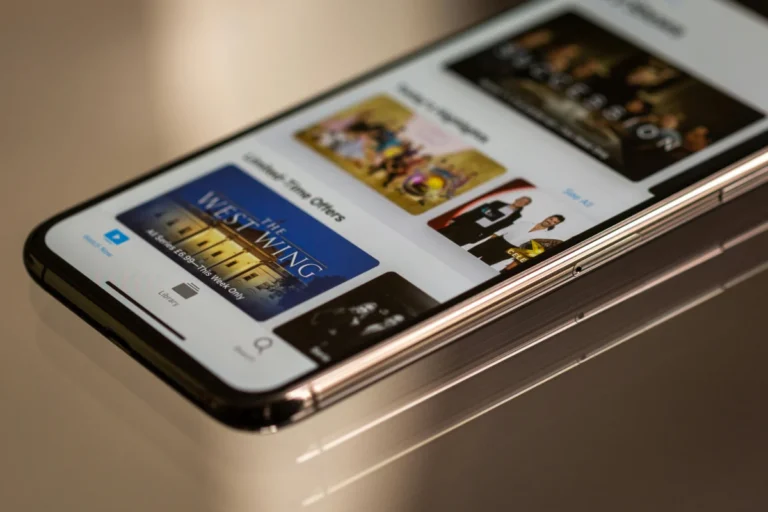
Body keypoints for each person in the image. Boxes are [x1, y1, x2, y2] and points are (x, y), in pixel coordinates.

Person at [469, 214, 565, 266]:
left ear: (555, 225)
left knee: (483, 264)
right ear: (547, 217)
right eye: (551, 219)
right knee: (470, 254)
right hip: (497, 241)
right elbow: (505, 229)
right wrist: (493, 237)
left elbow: (528, 250)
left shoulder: (545, 237)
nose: (550, 221)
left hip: (508, 250)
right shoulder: (526, 223)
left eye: (554, 222)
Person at [439, 195, 532, 246]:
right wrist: (456, 219)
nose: (521, 202)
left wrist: (478, 238)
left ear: (525, 205)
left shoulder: (516, 216)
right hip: (465, 223)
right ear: (517, 198)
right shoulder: (497, 203)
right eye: (521, 199)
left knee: (451, 245)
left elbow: (497, 228)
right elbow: (475, 211)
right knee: (441, 236)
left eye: (524, 202)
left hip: (477, 231)